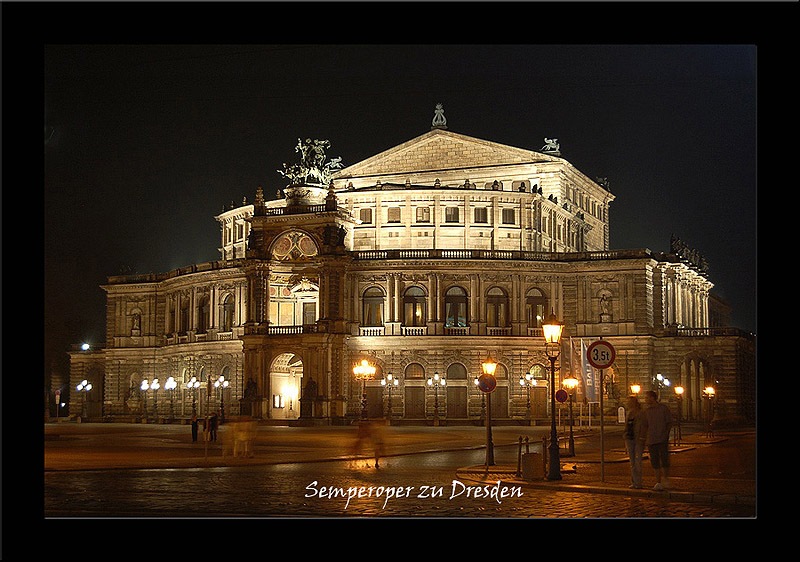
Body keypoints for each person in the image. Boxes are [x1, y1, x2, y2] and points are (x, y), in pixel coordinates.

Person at [641, 390, 673, 490]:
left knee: (664, 460)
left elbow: (669, 422)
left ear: (652, 398)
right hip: (651, 440)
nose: (645, 400)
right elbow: (645, 426)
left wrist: (666, 434)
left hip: (662, 439)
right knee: (654, 462)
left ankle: (666, 479)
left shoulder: (663, 409)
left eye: (646, 398)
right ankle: (658, 482)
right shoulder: (646, 411)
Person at [623, 395, 645, 489]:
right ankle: (634, 481)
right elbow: (627, 425)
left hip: (638, 438)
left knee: (638, 461)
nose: (627, 403)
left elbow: (644, 426)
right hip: (629, 438)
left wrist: (642, 436)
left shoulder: (640, 413)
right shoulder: (629, 413)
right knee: (632, 461)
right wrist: (625, 433)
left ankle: (638, 482)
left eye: (629, 402)